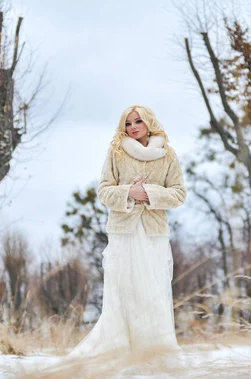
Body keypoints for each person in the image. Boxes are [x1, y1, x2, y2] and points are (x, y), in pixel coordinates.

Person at [68, 104, 187, 360]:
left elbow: (179, 194)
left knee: (152, 291)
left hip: (154, 232)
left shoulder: (167, 154)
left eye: (138, 122)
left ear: (149, 124)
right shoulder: (116, 152)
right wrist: (128, 193)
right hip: (123, 231)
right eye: (128, 123)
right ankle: (119, 350)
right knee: (123, 289)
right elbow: (103, 191)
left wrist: (150, 194)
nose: (132, 127)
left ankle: (153, 351)